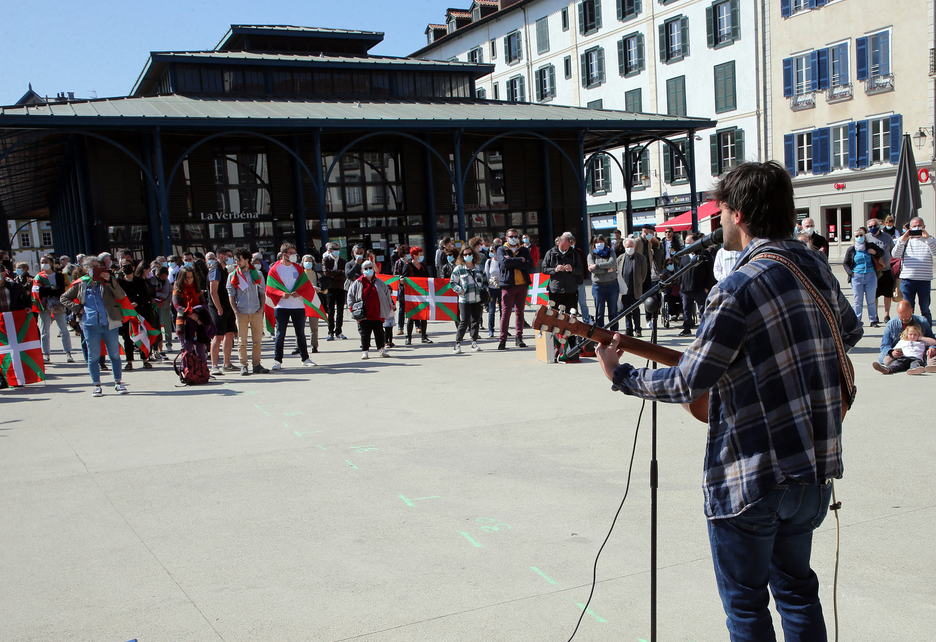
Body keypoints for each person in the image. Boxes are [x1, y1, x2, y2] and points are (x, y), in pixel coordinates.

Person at [596, 161, 862, 642]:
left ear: (738, 214)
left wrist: (622, 374)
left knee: (746, 608)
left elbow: (687, 383)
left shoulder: (738, 287)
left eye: (719, 212)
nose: (717, 221)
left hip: (753, 475)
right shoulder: (815, 267)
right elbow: (851, 330)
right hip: (814, 468)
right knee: (798, 592)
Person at [61, 256, 130, 397]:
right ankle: (96, 385)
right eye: (92, 267)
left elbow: (120, 295)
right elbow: (64, 298)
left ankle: (118, 382)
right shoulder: (81, 283)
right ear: (86, 269)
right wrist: (78, 308)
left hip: (109, 322)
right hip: (90, 324)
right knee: (93, 356)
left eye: (98, 266)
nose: (95, 269)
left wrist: (110, 280)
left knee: (114, 354)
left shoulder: (107, 282)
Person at [266, 243, 316, 369]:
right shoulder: (274, 269)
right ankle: (277, 360)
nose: (294, 255)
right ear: (284, 255)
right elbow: (270, 288)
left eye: (295, 253)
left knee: (300, 334)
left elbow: (305, 285)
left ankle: (305, 358)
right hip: (281, 306)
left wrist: (299, 292)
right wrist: (281, 294)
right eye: (291, 253)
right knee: (280, 334)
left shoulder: (298, 268)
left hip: (298, 306)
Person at [227, 247, 269, 375]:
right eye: (236, 260)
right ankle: (243, 364)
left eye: (239, 259)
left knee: (257, 340)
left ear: (246, 259)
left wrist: (261, 308)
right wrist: (235, 310)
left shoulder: (258, 274)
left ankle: (256, 364)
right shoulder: (233, 275)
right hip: (242, 312)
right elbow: (231, 295)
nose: (237, 262)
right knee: (242, 341)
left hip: (256, 311)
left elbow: (262, 292)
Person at [542, 234, 584, 359]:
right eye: (563, 248)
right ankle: (556, 346)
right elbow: (544, 269)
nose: (565, 250)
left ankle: (572, 346)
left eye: (567, 247)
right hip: (555, 290)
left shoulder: (574, 253)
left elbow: (580, 269)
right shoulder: (551, 253)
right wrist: (555, 269)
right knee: (555, 318)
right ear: (558, 244)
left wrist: (572, 269)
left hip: (570, 290)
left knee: (571, 317)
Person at [892, 217, 936, 326]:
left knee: (925, 309)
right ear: (910, 228)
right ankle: (908, 331)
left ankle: (927, 331)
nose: (917, 228)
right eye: (914, 226)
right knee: (908, 309)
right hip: (908, 280)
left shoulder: (930, 240)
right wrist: (903, 239)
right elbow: (895, 254)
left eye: (919, 225)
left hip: (924, 280)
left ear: (924, 227)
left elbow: (935, 252)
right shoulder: (905, 241)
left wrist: (927, 238)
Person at [346, 260, 393, 359]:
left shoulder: (379, 282)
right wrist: (351, 307)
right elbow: (350, 296)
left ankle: (381, 349)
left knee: (379, 333)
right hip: (364, 313)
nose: (368, 270)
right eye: (366, 268)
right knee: (365, 334)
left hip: (378, 312)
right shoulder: (358, 282)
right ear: (362, 270)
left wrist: (389, 305)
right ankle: (365, 351)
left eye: (370, 268)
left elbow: (387, 295)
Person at [172, 266, 215, 371]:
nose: (189, 279)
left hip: (198, 324)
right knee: (187, 348)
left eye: (191, 277)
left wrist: (198, 316)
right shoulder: (177, 291)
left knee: (200, 348)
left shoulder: (198, 291)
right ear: (182, 278)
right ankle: (187, 371)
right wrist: (191, 315)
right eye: (186, 277)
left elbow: (203, 305)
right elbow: (178, 307)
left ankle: (203, 372)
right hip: (184, 324)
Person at [33, 255, 75, 363]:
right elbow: (38, 291)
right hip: (44, 305)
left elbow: (60, 290)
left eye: (46, 262)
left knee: (63, 329)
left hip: (58, 304)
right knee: (45, 330)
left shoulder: (59, 276)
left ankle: (68, 352)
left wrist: (47, 290)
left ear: (51, 263)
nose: (44, 264)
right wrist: (51, 289)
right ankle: (46, 354)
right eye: (42, 262)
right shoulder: (38, 277)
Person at [496, 228, 533, 350]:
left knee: (520, 312)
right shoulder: (501, 249)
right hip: (508, 285)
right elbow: (504, 263)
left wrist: (512, 261)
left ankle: (519, 338)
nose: (514, 238)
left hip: (522, 284)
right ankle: (502, 339)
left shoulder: (523, 250)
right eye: (511, 236)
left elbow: (529, 264)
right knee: (505, 313)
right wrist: (520, 260)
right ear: (506, 238)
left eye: (516, 236)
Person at [117, 258, 156, 370]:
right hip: (126, 313)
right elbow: (117, 296)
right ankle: (129, 361)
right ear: (121, 269)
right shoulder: (119, 282)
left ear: (133, 267)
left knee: (142, 335)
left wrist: (137, 303)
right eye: (124, 266)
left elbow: (145, 296)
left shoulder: (139, 281)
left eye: (129, 265)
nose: (127, 268)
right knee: (127, 337)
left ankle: (145, 359)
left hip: (140, 312)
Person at [676, 234, 716, 337]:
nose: (687, 245)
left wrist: (707, 287)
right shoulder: (684, 256)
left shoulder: (705, 254)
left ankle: (704, 329)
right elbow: (680, 271)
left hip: (700, 288)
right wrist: (680, 284)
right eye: (686, 243)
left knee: (703, 309)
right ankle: (687, 328)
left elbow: (710, 272)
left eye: (689, 243)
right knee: (686, 309)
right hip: (686, 289)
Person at [842, 227, 882, 328]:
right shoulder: (851, 249)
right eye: (857, 236)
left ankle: (873, 320)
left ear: (865, 236)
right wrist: (851, 273)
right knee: (858, 301)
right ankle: (857, 320)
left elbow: (882, 252)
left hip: (870, 275)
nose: (859, 237)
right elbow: (845, 263)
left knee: (871, 299)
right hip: (857, 276)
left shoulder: (870, 246)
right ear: (854, 238)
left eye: (861, 235)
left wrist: (874, 252)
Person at [877, 300, 936, 368]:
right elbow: (884, 345)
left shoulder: (922, 321)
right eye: (901, 316)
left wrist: (932, 348)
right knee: (884, 358)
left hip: (919, 351)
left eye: (906, 316)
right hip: (901, 353)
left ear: (912, 310)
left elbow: (932, 339)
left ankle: (932, 366)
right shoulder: (891, 324)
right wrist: (892, 352)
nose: (904, 319)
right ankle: (891, 368)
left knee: (932, 354)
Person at [206, 248, 237, 376]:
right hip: (218, 307)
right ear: (221, 256)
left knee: (229, 334)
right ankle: (214, 365)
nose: (230, 258)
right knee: (218, 336)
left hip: (228, 306)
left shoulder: (224, 270)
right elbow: (213, 291)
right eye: (228, 256)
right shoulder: (215, 270)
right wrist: (219, 308)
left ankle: (227, 363)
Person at [450, 246, 485, 353]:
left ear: (473, 254)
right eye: (465, 254)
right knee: (464, 321)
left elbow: (485, 280)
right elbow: (452, 282)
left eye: (469, 254)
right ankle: (457, 343)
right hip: (464, 299)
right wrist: (459, 290)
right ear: (462, 256)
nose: (467, 256)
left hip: (477, 298)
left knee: (475, 321)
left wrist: (485, 290)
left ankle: (474, 342)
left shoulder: (479, 267)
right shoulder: (459, 268)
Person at [614, 237, 648, 337]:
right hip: (624, 290)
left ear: (635, 246)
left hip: (635, 289)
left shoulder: (641, 258)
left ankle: (638, 329)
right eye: (628, 246)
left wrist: (639, 282)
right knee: (626, 310)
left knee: (636, 310)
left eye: (631, 246)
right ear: (624, 247)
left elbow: (644, 274)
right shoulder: (620, 258)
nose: (629, 248)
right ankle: (629, 329)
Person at [400, 246, 432, 345]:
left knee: (424, 316)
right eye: (420, 254)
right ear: (414, 256)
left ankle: (424, 336)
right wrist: (402, 281)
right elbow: (404, 278)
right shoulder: (407, 265)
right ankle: (408, 338)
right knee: (411, 316)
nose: (422, 256)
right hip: (412, 295)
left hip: (423, 294)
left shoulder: (423, 266)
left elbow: (428, 279)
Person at [588, 235, 619, 331]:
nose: (599, 244)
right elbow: (593, 270)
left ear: (605, 243)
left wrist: (597, 265)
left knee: (613, 312)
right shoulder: (591, 255)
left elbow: (611, 264)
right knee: (599, 313)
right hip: (598, 286)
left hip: (612, 285)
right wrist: (606, 271)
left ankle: (614, 333)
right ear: (594, 244)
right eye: (597, 242)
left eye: (601, 242)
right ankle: (600, 333)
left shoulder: (611, 252)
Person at [867, 217, 895, 322]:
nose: (873, 228)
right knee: (874, 295)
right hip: (873, 271)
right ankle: (875, 314)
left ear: (879, 226)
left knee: (887, 294)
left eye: (875, 226)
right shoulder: (866, 238)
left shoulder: (887, 237)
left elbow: (893, 251)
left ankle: (887, 315)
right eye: (870, 226)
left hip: (887, 270)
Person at [321, 242, 348, 341]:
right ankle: (330, 332)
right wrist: (339, 273)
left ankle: (339, 331)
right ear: (330, 250)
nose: (337, 251)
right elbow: (327, 272)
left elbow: (345, 273)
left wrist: (334, 275)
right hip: (330, 288)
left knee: (340, 311)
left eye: (338, 249)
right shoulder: (326, 260)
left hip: (340, 287)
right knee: (330, 311)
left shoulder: (342, 260)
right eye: (335, 249)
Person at [565, 233, 592, 324]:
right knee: (571, 304)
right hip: (569, 283)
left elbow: (584, 265)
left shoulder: (579, 252)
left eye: (572, 242)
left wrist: (584, 277)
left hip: (579, 281)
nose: (571, 244)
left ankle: (586, 321)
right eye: (569, 242)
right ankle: (571, 322)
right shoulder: (565, 253)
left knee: (583, 303)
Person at [299, 254, 323, 354]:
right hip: (301, 303)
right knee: (299, 326)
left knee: (314, 327)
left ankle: (314, 346)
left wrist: (319, 290)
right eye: (306, 261)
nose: (308, 263)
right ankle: (298, 346)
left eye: (310, 261)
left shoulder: (317, 275)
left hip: (313, 303)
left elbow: (324, 290)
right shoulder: (299, 275)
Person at [150, 265, 173, 354]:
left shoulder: (167, 281)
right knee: (156, 326)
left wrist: (168, 300)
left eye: (166, 276)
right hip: (155, 306)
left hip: (165, 305)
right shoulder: (151, 280)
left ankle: (169, 343)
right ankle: (157, 345)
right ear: (157, 274)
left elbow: (170, 291)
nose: (164, 278)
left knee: (167, 325)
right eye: (162, 277)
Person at [484, 239, 502, 338]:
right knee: (491, 310)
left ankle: (503, 329)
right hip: (491, 288)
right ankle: (491, 330)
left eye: (492, 251)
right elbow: (486, 275)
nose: (490, 252)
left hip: (501, 287)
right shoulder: (489, 262)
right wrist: (487, 286)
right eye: (490, 251)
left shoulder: (502, 261)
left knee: (503, 310)